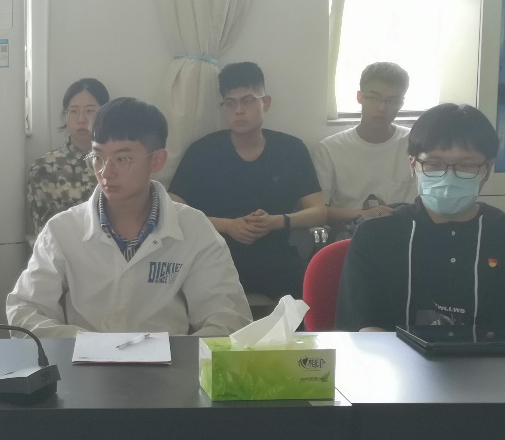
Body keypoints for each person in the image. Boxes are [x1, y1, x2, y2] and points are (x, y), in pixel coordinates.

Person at [7, 97, 251, 337]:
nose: (106, 172)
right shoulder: (62, 230)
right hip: (81, 359)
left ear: (157, 160)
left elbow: (230, 319)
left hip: (169, 361)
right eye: (98, 157)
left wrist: (177, 355)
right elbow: (25, 310)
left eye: (122, 159)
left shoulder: (195, 229)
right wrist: (86, 346)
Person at [336, 103, 504, 332]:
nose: (449, 176)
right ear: (413, 165)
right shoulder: (376, 237)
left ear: (487, 169)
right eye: (434, 164)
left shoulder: (500, 234)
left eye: (466, 165)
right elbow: (361, 330)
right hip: (391, 355)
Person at [169, 61, 327, 299]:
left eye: (248, 101)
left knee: (307, 304)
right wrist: (227, 226)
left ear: (266, 103)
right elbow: (171, 209)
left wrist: (276, 221)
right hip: (215, 255)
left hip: (276, 257)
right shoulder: (203, 151)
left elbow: (319, 212)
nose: (239, 110)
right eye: (230, 103)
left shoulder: (291, 149)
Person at [313, 62, 418, 238]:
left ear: (401, 103)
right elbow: (319, 211)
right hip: (352, 235)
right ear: (360, 97)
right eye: (374, 98)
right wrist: (365, 214)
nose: (382, 108)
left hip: (406, 234)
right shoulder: (330, 149)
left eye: (392, 101)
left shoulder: (415, 144)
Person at [26, 77, 111, 235]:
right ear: (65, 115)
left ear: (104, 114)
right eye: (73, 111)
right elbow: (45, 233)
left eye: (90, 111)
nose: (81, 119)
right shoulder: (45, 168)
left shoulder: (116, 163)